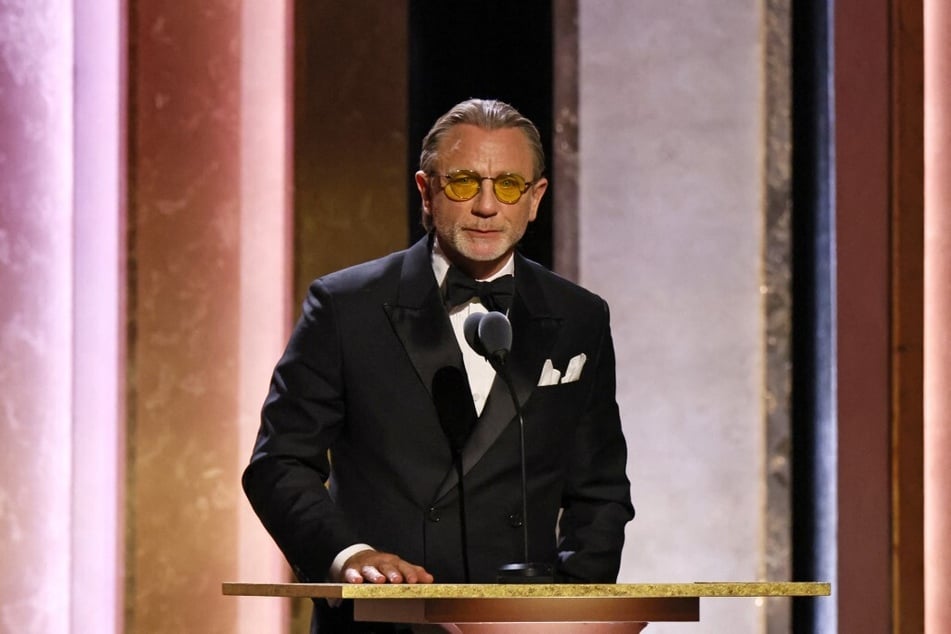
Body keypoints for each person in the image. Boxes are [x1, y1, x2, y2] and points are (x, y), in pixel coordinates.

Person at [243, 98, 634, 632]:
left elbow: (601, 490)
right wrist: (350, 558)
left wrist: (575, 607)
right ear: (426, 191)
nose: (487, 206)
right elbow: (279, 464)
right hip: (383, 625)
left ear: (536, 198)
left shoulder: (579, 317)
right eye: (464, 183)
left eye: (510, 185)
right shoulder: (346, 307)